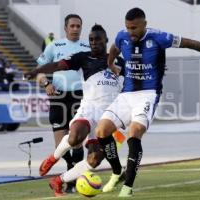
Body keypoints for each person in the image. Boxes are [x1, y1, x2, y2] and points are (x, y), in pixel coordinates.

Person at [95, 7, 200, 197]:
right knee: (102, 130)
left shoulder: (160, 38)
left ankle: (127, 187)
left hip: (148, 94)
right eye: (128, 28)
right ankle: (116, 172)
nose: (131, 32)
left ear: (144, 24)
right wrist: (110, 63)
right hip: (126, 94)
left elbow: (190, 43)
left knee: (134, 132)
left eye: (134, 28)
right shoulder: (123, 36)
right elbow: (114, 47)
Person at [25, 24, 125, 197]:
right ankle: (53, 158)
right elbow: (56, 65)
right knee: (75, 136)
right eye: (91, 39)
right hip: (89, 109)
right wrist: (37, 71)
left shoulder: (121, 62)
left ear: (106, 41)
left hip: (111, 116)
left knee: (94, 160)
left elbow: (137, 78)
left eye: (98, 39)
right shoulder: (82, 58)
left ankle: (58, 181)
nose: (94, 42)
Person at [35, 14, 90, 193]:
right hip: (58, 97)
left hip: (80, 96)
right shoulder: (54, 46)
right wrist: (46, 83)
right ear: (66, 28)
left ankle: (71, 181)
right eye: (72, 26)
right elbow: (39, 72)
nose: (75, 29)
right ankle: (73, 172)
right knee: (60, 145)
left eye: (78, 26)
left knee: (77, 140)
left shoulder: (87, 48)